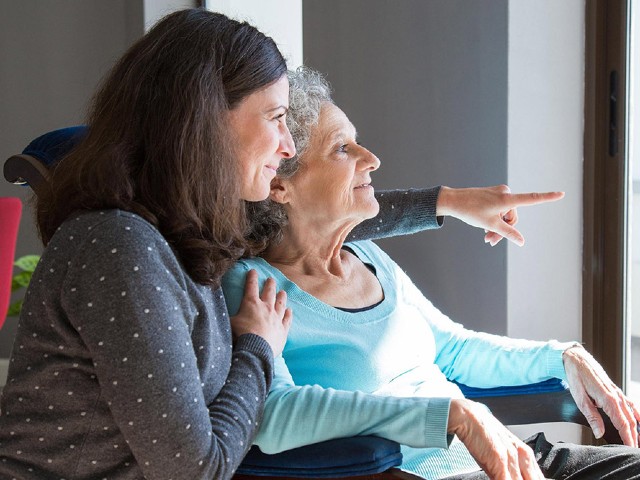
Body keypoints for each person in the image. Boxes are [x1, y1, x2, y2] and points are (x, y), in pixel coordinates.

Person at [0, 8, 565, 480]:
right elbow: (194, 469)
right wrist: (259, 351)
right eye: (274, 118)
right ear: (205, 121)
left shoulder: (184, 235)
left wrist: (447, 202)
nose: (288, 144)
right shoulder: (121, 248)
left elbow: (315, 216)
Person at [222, 67, 640, 480]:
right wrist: (450, 416)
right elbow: (278, 412)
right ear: (280, 186)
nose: (371, 159)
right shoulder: (254, 287)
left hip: (507, 460)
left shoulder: (369, 257)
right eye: (342, 149)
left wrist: (560, 355)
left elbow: (454, 350)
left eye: (358, 142)